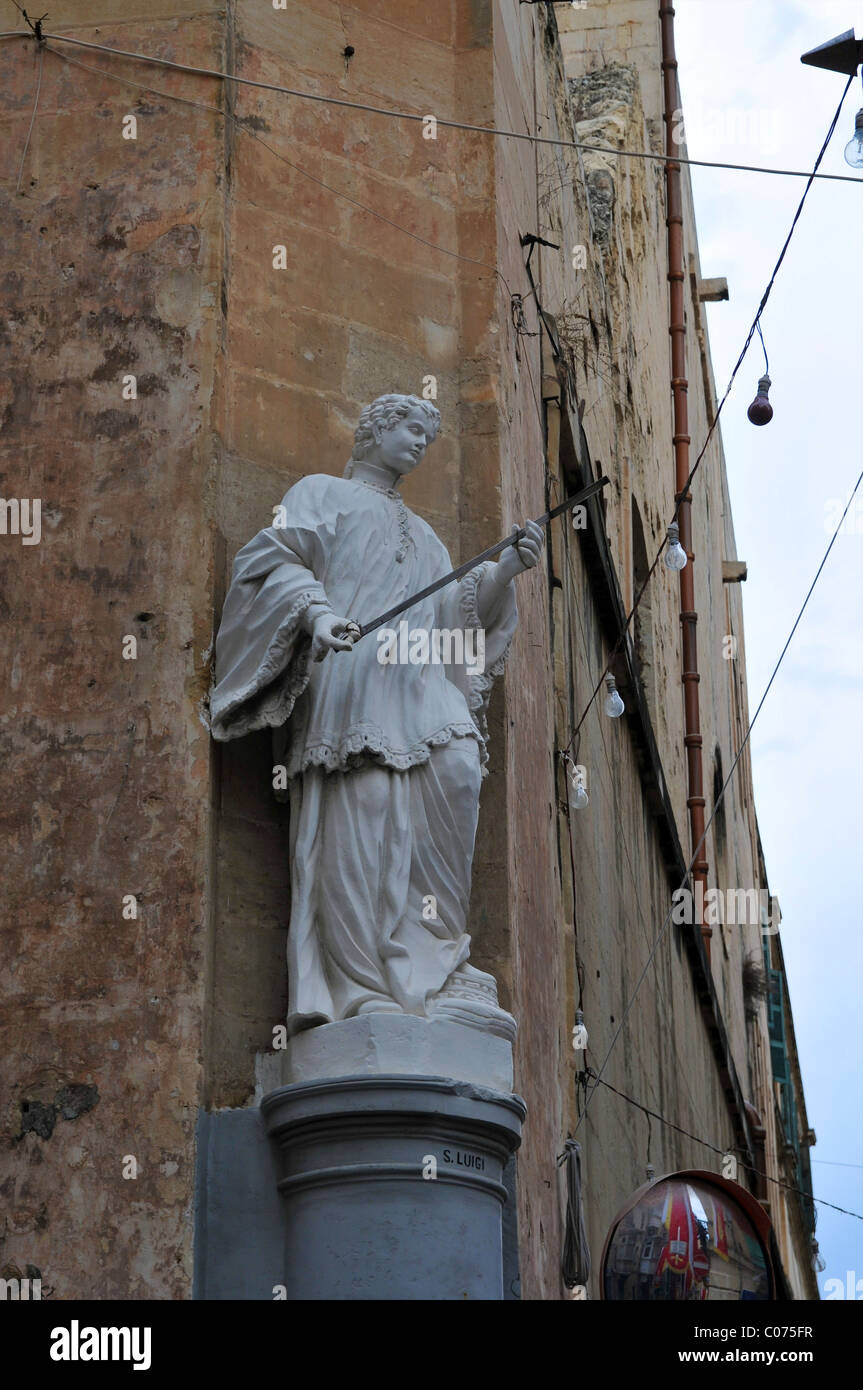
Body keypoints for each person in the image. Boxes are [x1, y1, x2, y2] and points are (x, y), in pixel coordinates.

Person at [208, 393, 543, 1037]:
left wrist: (503, 569)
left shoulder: (428, 538)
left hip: (420, 686)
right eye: (410, 429)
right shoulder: (320, 494)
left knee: (459, 773)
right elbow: (267, 561)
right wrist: (318, 613)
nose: (419, 444)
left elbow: (458, 621)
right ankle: (361, 986)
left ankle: (435, 963)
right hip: (353, 679)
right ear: (374, 432)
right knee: (361, 811)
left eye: (428, 436)